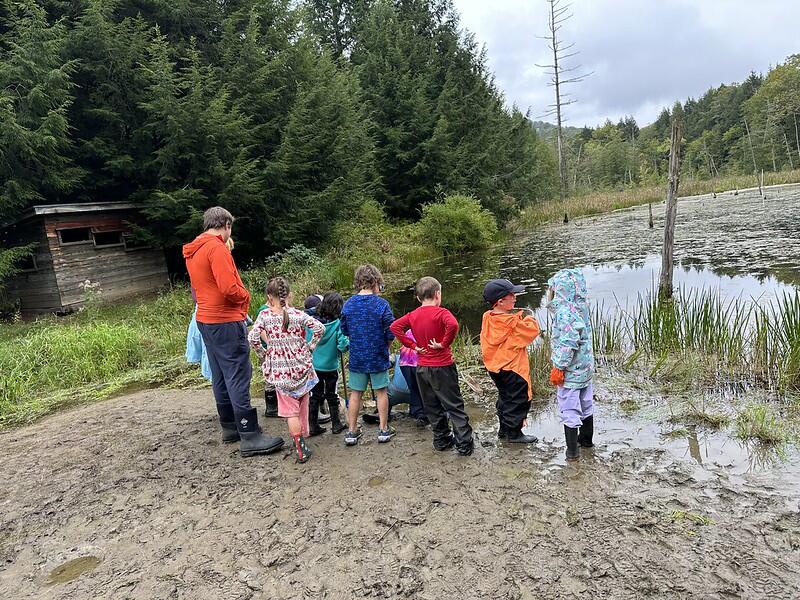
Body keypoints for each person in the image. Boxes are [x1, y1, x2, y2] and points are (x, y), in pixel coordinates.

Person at [183, 207, 284, 456]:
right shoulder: (216, 247)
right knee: (238, 373)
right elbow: (229, 288)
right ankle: (250, 435)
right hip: (225, 320)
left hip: (205, 319)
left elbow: (200, 288)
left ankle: (229, 427)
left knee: (219, 373)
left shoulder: (193, 250)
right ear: (226, 225)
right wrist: (246, 296)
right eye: (231, 228)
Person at [390, 277, 474, 455]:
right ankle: (464, 443)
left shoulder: (412, 315)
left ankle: (441, 440)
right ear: (437, 294)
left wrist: (412, 345)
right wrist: (444, 343)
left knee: (432, 406)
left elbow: (395, 327)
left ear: (419, 298)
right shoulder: (441, 313)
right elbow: (453, 324)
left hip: (422, 367)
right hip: (442, 366)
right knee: (453, 404)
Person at [248, 277, 324, 463]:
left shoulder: (265, 316)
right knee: (303, 403)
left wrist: (264, 354)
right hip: (301, 366)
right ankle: (304, 437)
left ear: (269, 296)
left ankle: (299, 446)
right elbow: (320, 328)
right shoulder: (298, 314)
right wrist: (310, 346)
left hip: (280, 370)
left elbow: (252, 337)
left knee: (290, 412)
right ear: (289, 295)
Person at [480, 278, 541, 444]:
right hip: (513, 369)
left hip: (495, 367)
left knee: (505, 397)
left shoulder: (488, 318)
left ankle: (504, 429)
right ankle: (514, 434)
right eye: (512, 295)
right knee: (518, 400)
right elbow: (532, 330)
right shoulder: (511, 323)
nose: (515, 297)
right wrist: (529, 317)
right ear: (500, 301)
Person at [340, 264, 395, 445]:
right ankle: (383, 429)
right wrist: (386, 347)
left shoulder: (348, 304)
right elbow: (390, 331)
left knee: (355, 394)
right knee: (381, 392)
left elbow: (345, 330)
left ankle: (351, 431)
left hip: (357, 356)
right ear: (376, 282)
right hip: (378, 355)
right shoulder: (381, 304)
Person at [547, 268, 595, 462]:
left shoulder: (564, 312)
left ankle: (572, 452)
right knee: (586, 404)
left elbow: (568, 342)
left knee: (569, 409)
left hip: (571, 372)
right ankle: (587, 442)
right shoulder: (580, 307)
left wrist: (559, 366)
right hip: (585, 369)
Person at [307, 292, 349, 436]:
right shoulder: (338, 324)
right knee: (331, 394)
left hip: (314, 365)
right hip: (330, 366)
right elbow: (343, 346)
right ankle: (336, 424)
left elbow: (307, 340)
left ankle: (312, 425)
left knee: (315, 394)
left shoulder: (312, 322)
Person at [398, 330, 428, 427]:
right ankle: (424, 414)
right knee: (425, 389)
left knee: (413, 388)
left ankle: (417, 412)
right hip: (418, 360)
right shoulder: (426, 327)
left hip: (404, 360)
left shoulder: (409, 330)